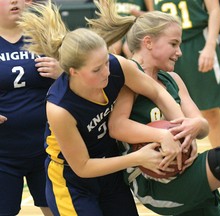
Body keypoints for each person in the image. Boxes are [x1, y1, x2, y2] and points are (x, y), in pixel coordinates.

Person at [90, 1, 220, 215]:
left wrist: (196, 124)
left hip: (184, 170)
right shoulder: (129, 78)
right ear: (148, 42)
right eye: (174, 44)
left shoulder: (173, 79)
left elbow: (202, 127)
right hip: (155, 182)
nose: (180, 52)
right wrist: (161, 136)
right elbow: (117, 126)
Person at [18, 1, 195, 215]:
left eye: (106, 62)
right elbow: (82, 166)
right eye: (96, 69)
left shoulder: (118, 66)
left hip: (111, 170)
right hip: (72, 181)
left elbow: (157, 92)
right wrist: (138, 158)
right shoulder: (59, 107)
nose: (106, 72)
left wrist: (180, 132)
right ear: (73, 72)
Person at [152, 0, 220, 196]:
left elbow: (214, 10)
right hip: (165, 47)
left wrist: (209, 46)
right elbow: (152, 18)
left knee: (210, 112)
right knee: (164, 111)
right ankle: (166, 172)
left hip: (197, 42)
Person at [0, 0, 62, 215]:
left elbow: (83, 79)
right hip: (4, 153)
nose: (14, 1)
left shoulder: (46, 35)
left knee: (56, 210)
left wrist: (62, 71)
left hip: (48, 148)